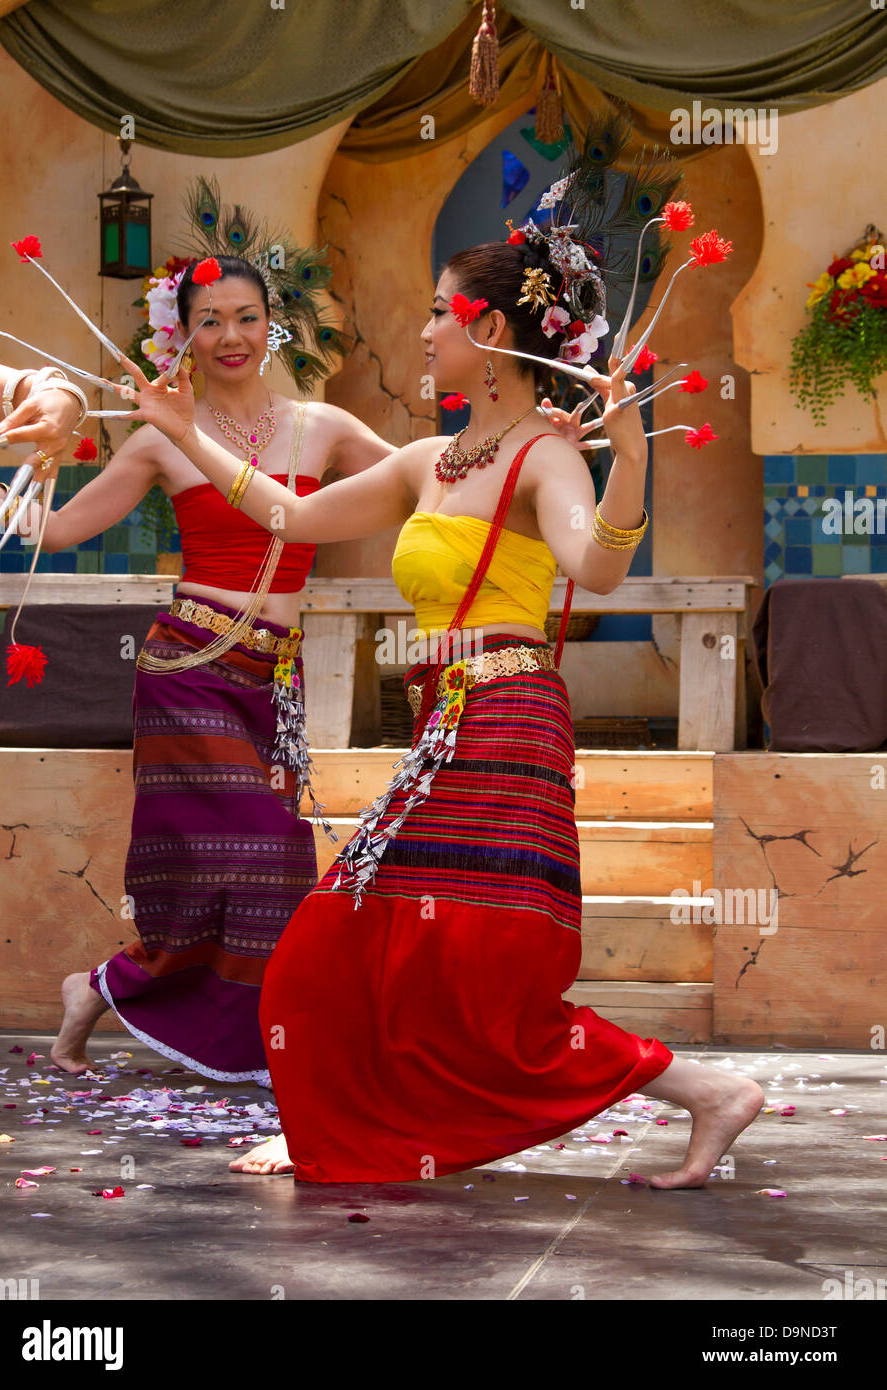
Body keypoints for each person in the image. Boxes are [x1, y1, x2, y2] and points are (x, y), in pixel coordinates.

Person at [119, 224, 764, 1188]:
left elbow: (596, 566)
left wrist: (626, 459)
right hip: (446, 723)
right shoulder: (433, 458)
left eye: (435, 311)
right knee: (347, 939)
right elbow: (290, 516)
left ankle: (698, 1090)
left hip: (507, 723)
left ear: (489, 325)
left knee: (466, 961)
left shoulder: (547, 453)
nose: (421, 332)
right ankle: (348, 1122)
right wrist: (183, 434)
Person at [0, 254, 391, 1084]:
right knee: (267, 841)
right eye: (209, 321)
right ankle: (240, 1034)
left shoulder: (326, 427)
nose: (229, 337)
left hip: (274, 675)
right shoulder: (161, 437)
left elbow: (431, 480)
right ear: (183, 334)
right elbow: (56, 532)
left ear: (271, 323)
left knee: (238, 868)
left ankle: (99, 991)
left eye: (245, 317)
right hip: (187, 666)